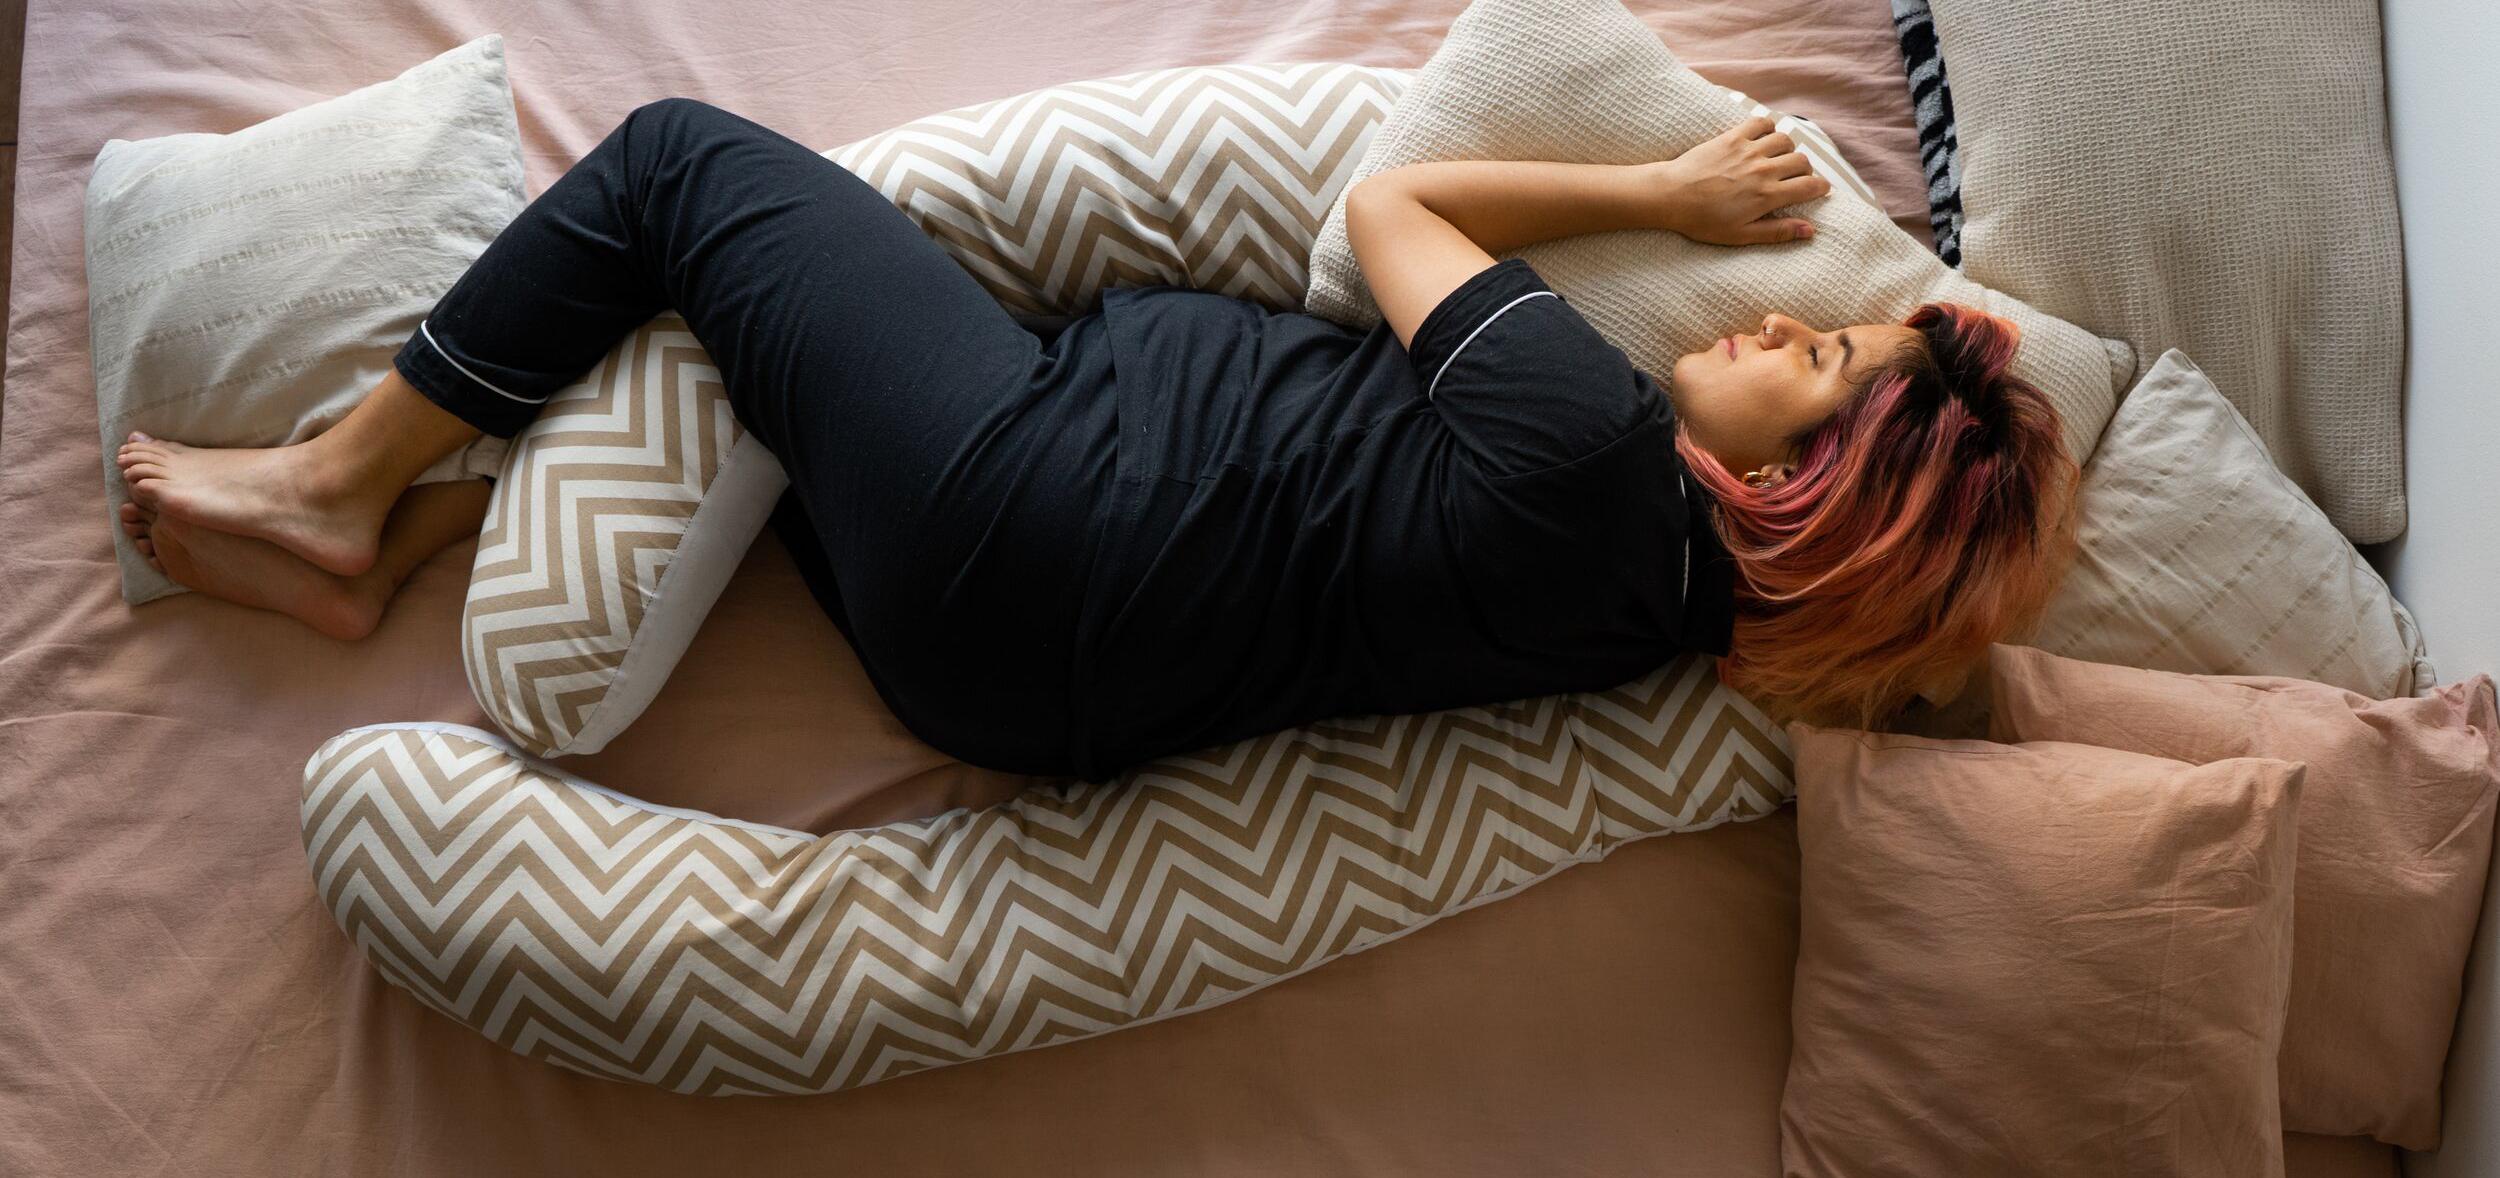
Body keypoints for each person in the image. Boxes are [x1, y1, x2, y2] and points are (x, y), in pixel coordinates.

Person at [113, 98, 2075, 784]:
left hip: (1019, 500)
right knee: (743, 369)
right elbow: (1934, 644)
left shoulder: (1579, 434)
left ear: (1785, 486)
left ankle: (340, 489)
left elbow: (1393, 213)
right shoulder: (1669, 632)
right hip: (1007, 689)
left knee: (675, 172)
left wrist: (1653, 186)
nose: (1759, 322)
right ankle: (473, 492)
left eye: (1800, 359)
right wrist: (1912, 366)